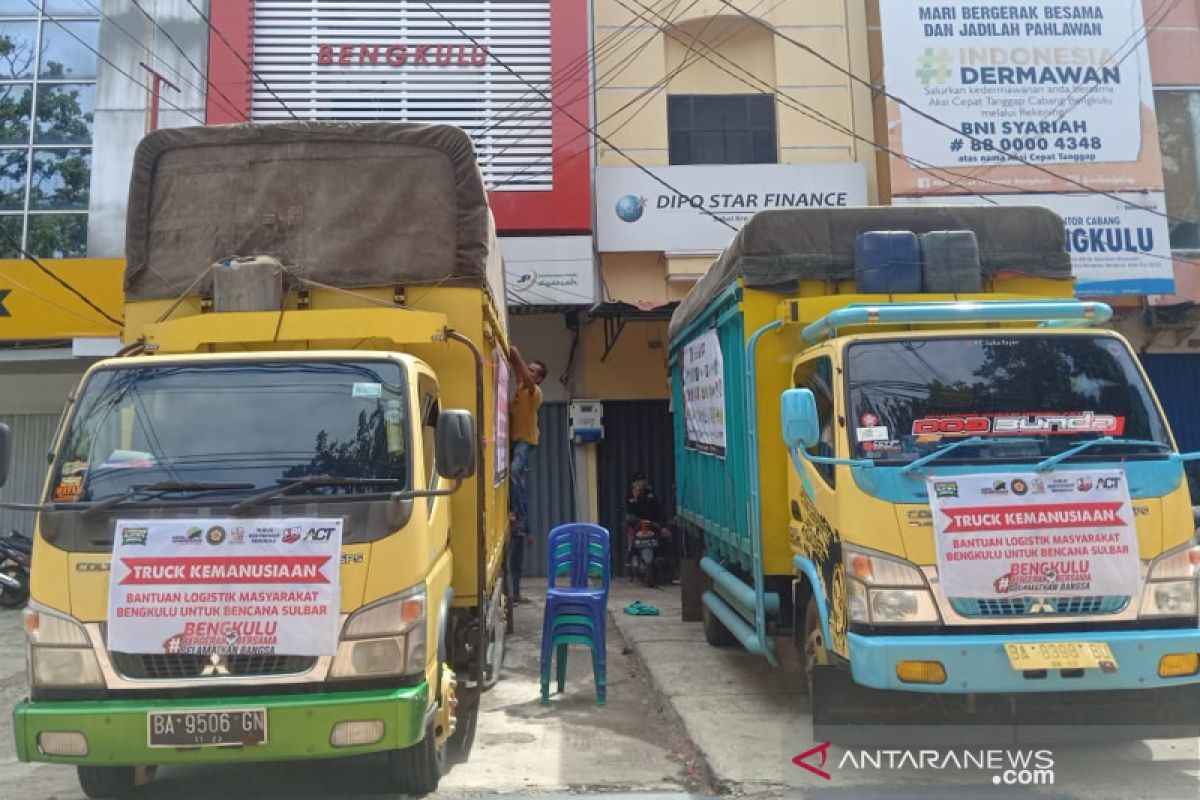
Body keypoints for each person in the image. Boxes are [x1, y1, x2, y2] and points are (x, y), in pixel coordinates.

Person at [507, 345, 546, 604]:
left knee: (513, 473)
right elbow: (517, 372)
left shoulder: (535, 392)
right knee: (515, 477)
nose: (526, 372)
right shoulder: (518, 390)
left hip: (525, 441)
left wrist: (515, 355)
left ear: (538, 379)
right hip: (513, 441)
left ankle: (517, 513)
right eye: (527, 368)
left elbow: (520, 369)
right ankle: (516, 511)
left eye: (532, 371)